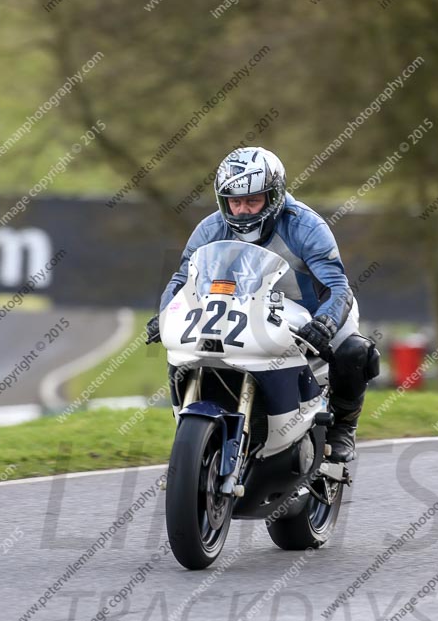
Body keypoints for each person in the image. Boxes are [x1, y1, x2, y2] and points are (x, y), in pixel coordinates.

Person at [148, 146, 379, 462]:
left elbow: (337, 287)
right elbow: (181, 281)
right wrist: (163, 316)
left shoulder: (306, 227)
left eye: (252, 201)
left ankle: (343, 428)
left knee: (355, 351)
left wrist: (325, 322)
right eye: (235, 201)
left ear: (275, 196)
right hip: (244, 313)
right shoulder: (209, 228)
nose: (242, 210)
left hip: (310, 315)